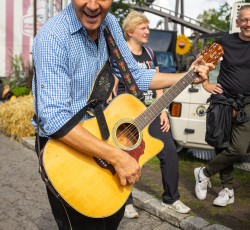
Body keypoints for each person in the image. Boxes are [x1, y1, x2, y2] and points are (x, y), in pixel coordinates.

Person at [32, 0, 212, 229]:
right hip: (66, 143)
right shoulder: (52, 37)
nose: (94, 5)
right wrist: (117, 157)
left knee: (110, 219)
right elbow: (55, 119)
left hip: (102, 135)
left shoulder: (110, 24)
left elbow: (133, 75)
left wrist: (186, 76)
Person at [119, 11, 191, 218]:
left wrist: (162, 108)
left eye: (148, 28)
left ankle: (172, 198)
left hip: (152, 111)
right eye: (143, 28)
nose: (147, 32)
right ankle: (126, 202)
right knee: (128, 158)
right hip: (129, 115)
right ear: (130, 31)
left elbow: (157, 81)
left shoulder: (150, 52)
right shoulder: (121, 53)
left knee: (169, 153)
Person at [195, 5, 250, 207]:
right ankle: (227, 190)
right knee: (221, 143)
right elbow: (200, 62)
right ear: (237, 23)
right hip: (223, 99)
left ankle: (204, 172)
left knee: (238, 148)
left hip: (247, 102)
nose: (248, 23)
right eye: (244, 19)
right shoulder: (225, 42)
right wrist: (206, 84)